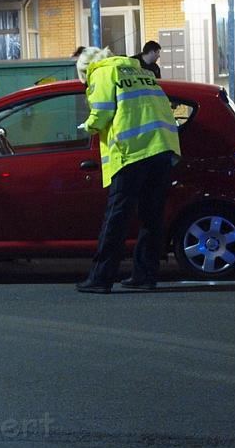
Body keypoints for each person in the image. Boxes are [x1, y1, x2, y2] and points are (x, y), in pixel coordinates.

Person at [74, 46, 181, 294]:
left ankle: (101, 278)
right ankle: (145, 275)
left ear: (86, 69)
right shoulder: (139, 72)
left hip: (132, 152)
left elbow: (100, 113)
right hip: (162, 149)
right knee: (152, 217)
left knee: (116, 218)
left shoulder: (101, 72)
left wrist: (86, 127)